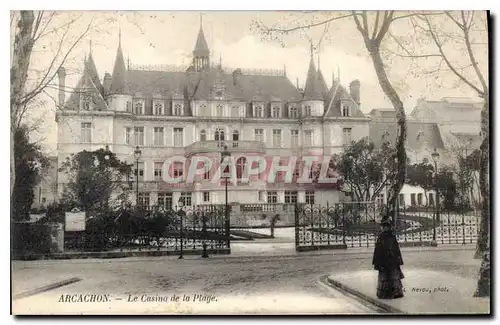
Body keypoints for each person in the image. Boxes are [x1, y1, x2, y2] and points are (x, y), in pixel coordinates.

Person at [372, 217, 405, 299]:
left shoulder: (382, 237)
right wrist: (398, 260)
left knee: (386, 277)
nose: (383, 228)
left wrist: (377, 262)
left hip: (385, 261)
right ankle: (395, 292)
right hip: (391, 261)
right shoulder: (390, 237)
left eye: (384, 227)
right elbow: (396, 250)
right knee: (393, 276)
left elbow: (378, 251)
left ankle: (387, 293)